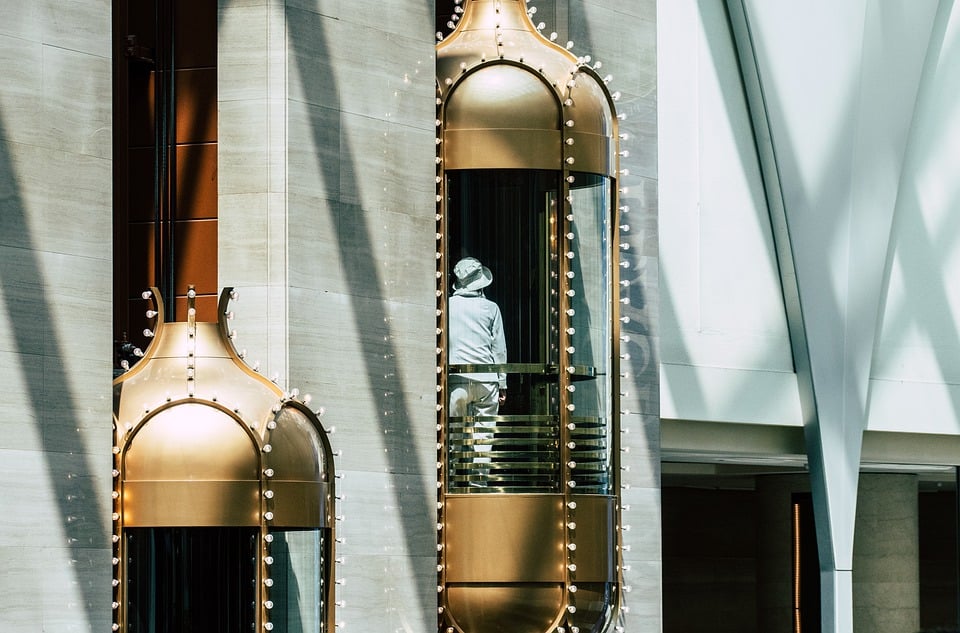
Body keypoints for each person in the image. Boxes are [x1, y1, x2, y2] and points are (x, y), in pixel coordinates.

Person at [448, 257, 507, 417]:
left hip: (457, 378)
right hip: (487, 378)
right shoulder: (491, 308)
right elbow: (499, 349)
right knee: (485, 435)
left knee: (455, 435)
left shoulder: (447, 306)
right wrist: (502, 382)